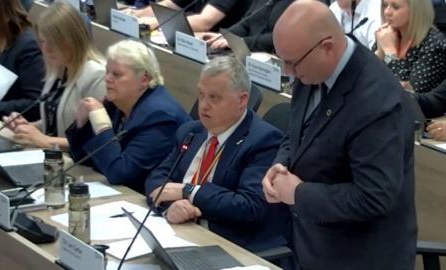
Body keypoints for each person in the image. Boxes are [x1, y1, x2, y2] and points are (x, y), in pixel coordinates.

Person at [263, 1, 417, 269]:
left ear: (327, 47)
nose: (288, 72)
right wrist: (281, 164)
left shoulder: (377, 101)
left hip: (360, 258)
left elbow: (374, 197)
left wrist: (298, 194)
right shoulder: (308, 68)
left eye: (292, 63)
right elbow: (298, 133)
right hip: (310, 247)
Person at [145, 56, 289, 253]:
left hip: (228, 244)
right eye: (201, 95)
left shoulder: (264, 140)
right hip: (180, 233)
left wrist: (190, 192)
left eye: (214, 98)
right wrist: (172, 206)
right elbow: (157, 179)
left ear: (242, 100)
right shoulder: (191, 131)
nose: (203, 105)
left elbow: (249, 206)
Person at [66, 39, 190, 193]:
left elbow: (120, 173)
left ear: (144, 79)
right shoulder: (118, 103)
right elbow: (81, 157)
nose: (107, 78)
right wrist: (82, 123)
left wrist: (101, 124)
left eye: (116, 74)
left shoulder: (160, 117)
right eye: (107, 72)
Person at [2, 2, 106, 150]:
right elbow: (55, 121)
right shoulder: (58, 69)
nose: (46, 49)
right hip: (50, 155)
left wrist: (45, 140)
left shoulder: (97, 75)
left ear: (73, 40)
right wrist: (26, 127)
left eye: (54, 42)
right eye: (43, 41)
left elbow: (99, 143)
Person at [374, 0, 446, 93]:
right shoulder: (388, 35)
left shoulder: (434, 44)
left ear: (416, 11)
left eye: (395, 7)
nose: (386, 12)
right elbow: (365, 76)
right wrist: (380, 53)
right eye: (385, 5)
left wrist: (389, 52)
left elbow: (408, 94)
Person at [200, 0, 293, 53]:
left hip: (273, 63)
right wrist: (225, 36)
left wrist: (241, 42)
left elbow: (282, 38)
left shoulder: (300, 4)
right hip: (245, 53)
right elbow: (246, 22)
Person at [124, 0, 252, 32]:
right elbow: (171, 4)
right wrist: (134, 14)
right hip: (192, 37)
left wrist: (157, 23)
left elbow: (205, 22)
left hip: (217, 45)